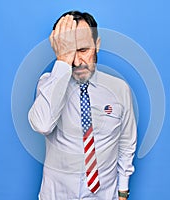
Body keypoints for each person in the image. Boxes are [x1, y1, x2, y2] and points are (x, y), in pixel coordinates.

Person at [28, 10, 137, 200]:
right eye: (71, 52)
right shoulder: (48, 84)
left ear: (97, 44)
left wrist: (123, 191)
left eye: (83, 50)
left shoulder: (119, 89)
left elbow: (126, 143)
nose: (77, 62)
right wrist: (62, 60)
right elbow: (42, 125)